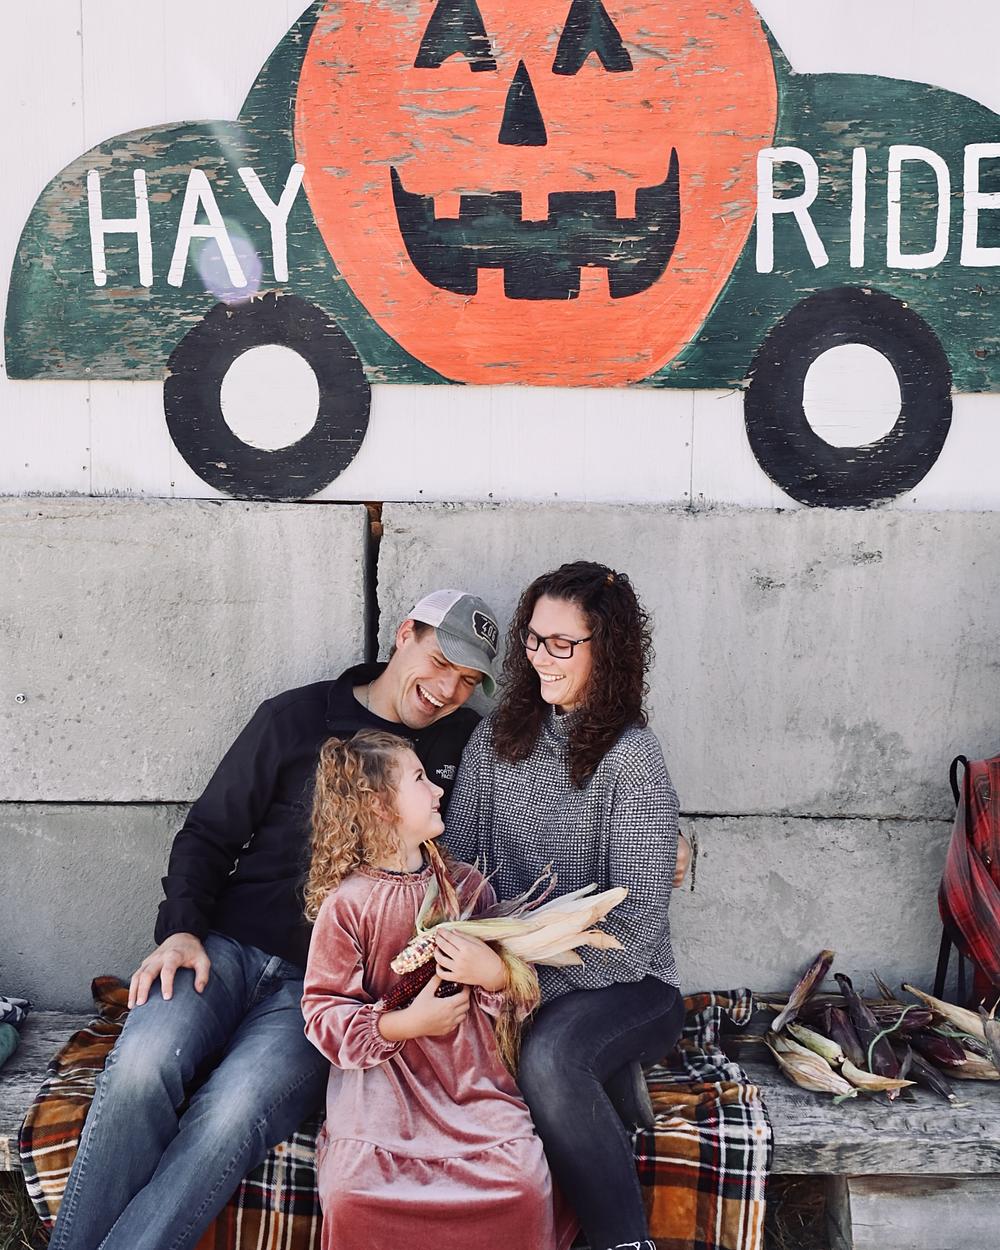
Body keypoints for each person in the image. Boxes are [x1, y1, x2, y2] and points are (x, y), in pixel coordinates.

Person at [48, 590, 500, 1250]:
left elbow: (505, 831)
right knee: (142, 1067)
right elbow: (209, 833)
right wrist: (181, 929)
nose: (447, 690)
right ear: (405, 634)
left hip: (324, 989)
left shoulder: (467, 746)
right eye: (439, 663)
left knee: (233, 1111)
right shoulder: (295, 718)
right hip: (223, 949)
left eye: (466, 680)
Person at [445, 561, 684, 1250]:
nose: (540, 657)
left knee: (549, 1058)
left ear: (605, 649)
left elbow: (635, 933)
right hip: (510, 967)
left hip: (631, 986)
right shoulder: (496, 739)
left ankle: (625, 1242)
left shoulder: (633, 760)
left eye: (561, 644)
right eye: (533, 639)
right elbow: (460, 869)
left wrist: (516, 984)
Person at [302, 730, 575, 1250]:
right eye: (420, 779)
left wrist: (493, 974)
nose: (438, 790)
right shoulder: (348, 905)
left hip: (469, 1085)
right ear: (380, 805)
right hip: (386, 1094)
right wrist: (404, 1024)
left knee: (523, 1188)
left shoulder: (467, 887)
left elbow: (518, 1001)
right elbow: (322, 1012)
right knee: (352, 1195)